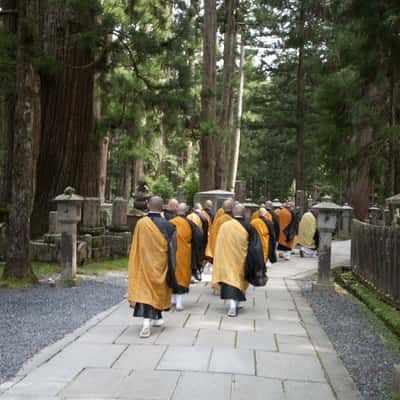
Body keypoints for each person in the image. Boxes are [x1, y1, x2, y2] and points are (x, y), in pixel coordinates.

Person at [128, 196, 177, 338]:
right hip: (161, 267)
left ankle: (148, 323)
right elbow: (174, 249)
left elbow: (135, 246)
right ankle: (153, 320)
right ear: (163, 207)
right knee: (157, 292)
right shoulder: (169, 226)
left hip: (144, 266)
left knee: (146, 294)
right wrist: (172, 267)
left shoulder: (141, 224)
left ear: (148, 205)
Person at [212, 204, 266, 317]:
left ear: (232, 213)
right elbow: (256, 247)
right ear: (244, 213)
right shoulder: (249, 227)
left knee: (231, 282)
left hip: (227, 260)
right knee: (239, 281)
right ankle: (234, 306)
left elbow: (219, 245)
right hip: (243, 261)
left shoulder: (225, 226)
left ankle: (235, 304)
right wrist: (258, 263)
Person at [170, 203, 203, 310]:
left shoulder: (170, 223)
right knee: (182, 277)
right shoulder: (190, 223)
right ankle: (179, 303)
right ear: (186, 211)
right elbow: (199, 237)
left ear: (176, 211)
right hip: (185, 254)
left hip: (171, 254)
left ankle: (173, 300)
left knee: (172, 275)